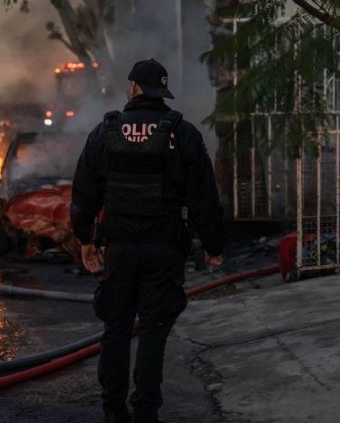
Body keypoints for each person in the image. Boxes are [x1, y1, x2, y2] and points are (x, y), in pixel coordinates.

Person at [71, 58, 225, 423]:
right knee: (154, 329)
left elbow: (84, 192)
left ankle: (113, 410)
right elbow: (204, 197)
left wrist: (85, 239)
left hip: (119, 249)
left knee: (116, 327)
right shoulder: (182, 132)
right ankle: (145, 411)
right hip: (165, 247)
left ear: (133, 89)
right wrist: (214, 245)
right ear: (161, 93)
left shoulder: (105, 130)